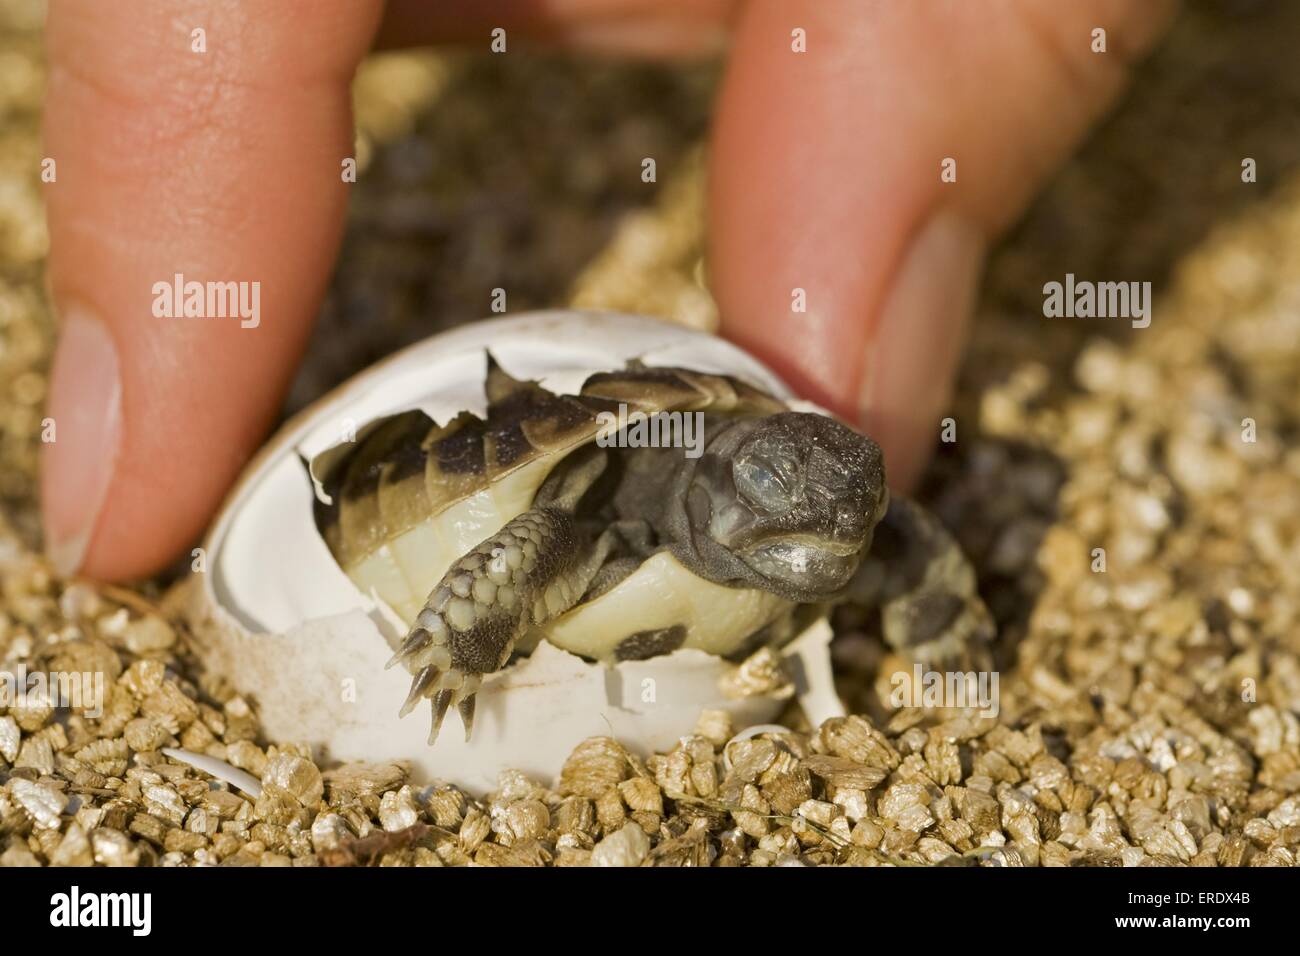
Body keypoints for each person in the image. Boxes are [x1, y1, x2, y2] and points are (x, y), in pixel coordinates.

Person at [39, 0, 1177, 581]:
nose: (837, 518)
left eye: (851, 499)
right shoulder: (610, 502)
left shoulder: (810, 526)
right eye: (794, 481)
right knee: (539, 540)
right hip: (563, 491)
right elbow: (544, 526)